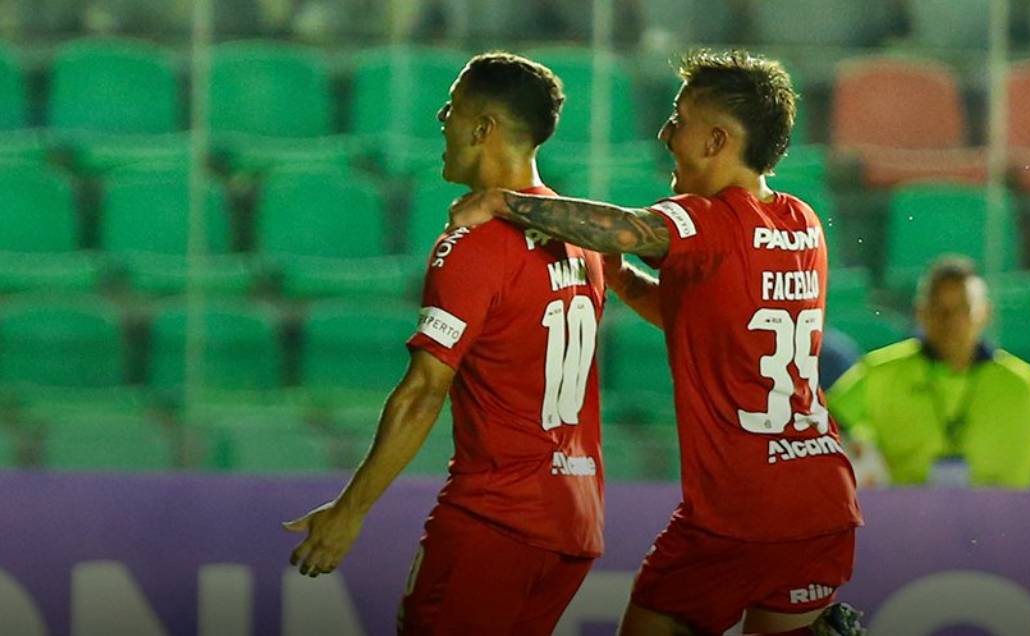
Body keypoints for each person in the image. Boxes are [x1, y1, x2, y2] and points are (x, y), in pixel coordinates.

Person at [451, 49, 863, 636]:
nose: (666, 133)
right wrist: (621, 280)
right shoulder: (803, 221)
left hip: (739, 513)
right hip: (824, 501)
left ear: (716, 141)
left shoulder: (712, 218)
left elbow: (628, 229)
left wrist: (506, 201)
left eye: (679, 119)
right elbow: (706, 322)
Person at [283, 52, 607, 635]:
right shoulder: (581, 240)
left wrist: (350, 511)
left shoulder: (474, 245)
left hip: (496, 520)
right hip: (574, 523)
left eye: (452, 108)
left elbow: (423, 392)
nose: (441, 118)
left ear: (482, 128)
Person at [827, 256, 1030, 489]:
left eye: (963, 309)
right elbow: (825, 425)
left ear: (985, 313)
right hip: (907, 513)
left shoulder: (1021, 382)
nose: (950, 320)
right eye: (938, 309)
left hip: (1000, 515)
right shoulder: (879, 371)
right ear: (921, 313)